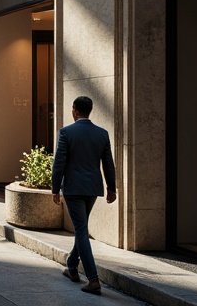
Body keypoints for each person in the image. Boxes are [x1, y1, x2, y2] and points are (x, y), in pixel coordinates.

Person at [52, 95, 116, 296]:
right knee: (82, 228)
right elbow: (108, 164)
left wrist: (54, 189)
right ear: (90, 111)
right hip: (92, 189)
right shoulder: (102, 134)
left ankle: (93, 279)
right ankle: (71, 265)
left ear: (74, 110)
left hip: (73, 188)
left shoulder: (66, 132)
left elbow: (59, 163)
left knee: (80, 230)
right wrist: (111, 188)